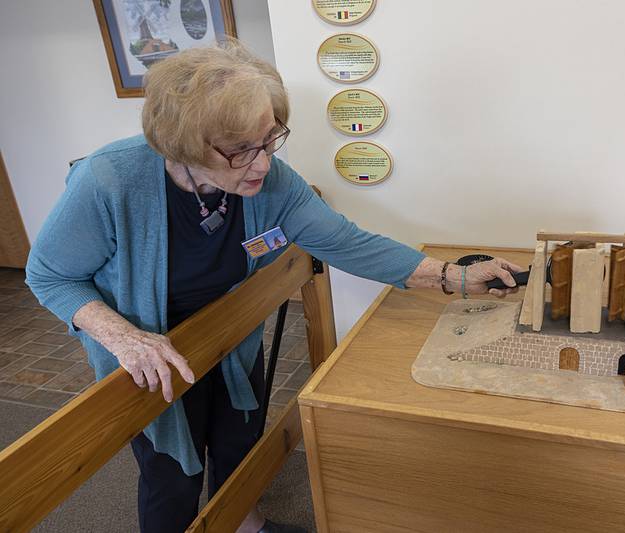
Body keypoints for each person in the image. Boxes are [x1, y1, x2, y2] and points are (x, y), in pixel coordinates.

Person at [25, 39, 522, 533]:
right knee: (173, 474)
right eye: (240, 150)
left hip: (227, 335)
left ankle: (243, 522)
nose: (262, 163)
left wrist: (452, 275)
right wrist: (123, 338)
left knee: (238, 439)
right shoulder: (110, 179)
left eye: (268, 140)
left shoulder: (270, 180)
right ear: (182, 144)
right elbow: (50, 275)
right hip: (147, 350)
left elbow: (346, 242)